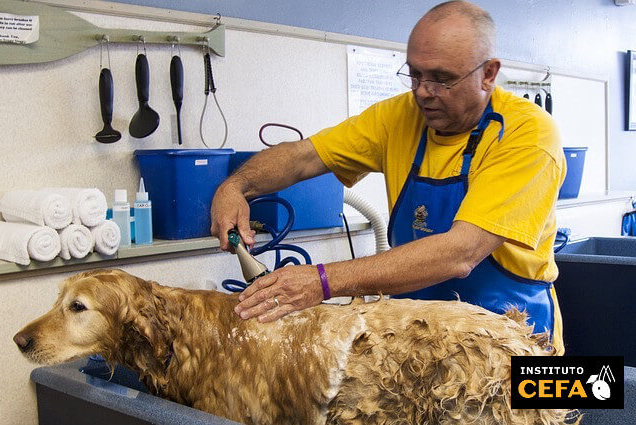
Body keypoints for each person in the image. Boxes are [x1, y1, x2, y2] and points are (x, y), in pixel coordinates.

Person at [211, 0, 566, 354]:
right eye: (415, 74)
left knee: (599, 390)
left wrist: (322, 280)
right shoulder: (398, 117)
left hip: (516, 345)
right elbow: (303, 157)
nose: (424, 91)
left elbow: (461, 253)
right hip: (419, 347)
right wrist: (235, 186)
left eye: (442, 79)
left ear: (488, 73)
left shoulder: (530, 134)